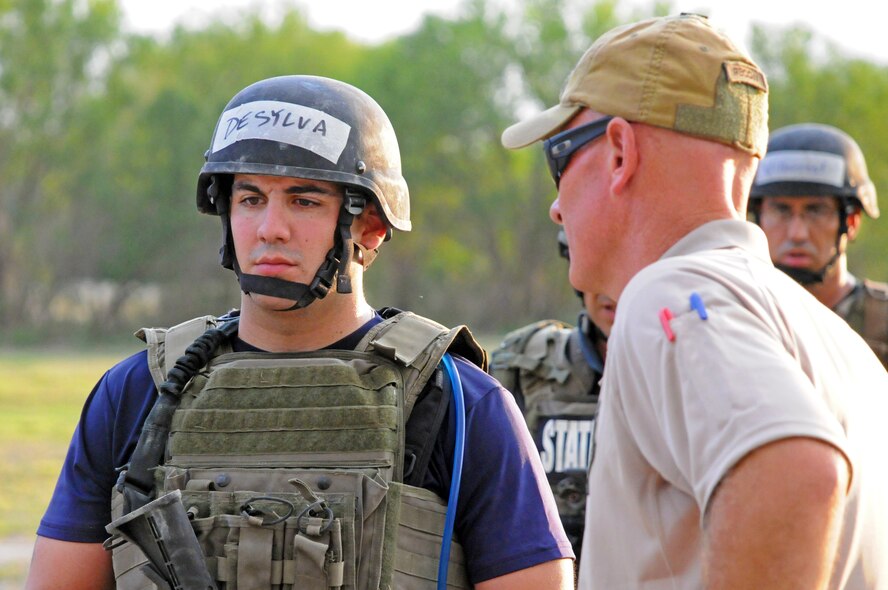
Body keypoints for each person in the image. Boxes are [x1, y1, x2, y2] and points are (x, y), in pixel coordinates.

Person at [26, 75, 574, 590]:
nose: (270, 228)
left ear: (372, 228)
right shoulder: (138, 392)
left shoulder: (454, 403)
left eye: (304, 200)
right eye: (250, 198)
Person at [501, 13, 887, 590]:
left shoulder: (669, 295)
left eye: (559, 157)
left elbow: (796, 474)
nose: (557, 206)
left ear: (618, 152)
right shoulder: (843, 345)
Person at [489, 230, 613, 560]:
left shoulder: (697, 372)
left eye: (627, 265)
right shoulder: (524, 366)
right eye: (598, 263)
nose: (612, 285)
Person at [749, 123, 888, 367]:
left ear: (851, 221)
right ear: (758, 218)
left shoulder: (883, 322)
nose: (797, 233)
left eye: (816, 210)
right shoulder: (739, 315)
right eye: (781, 210)